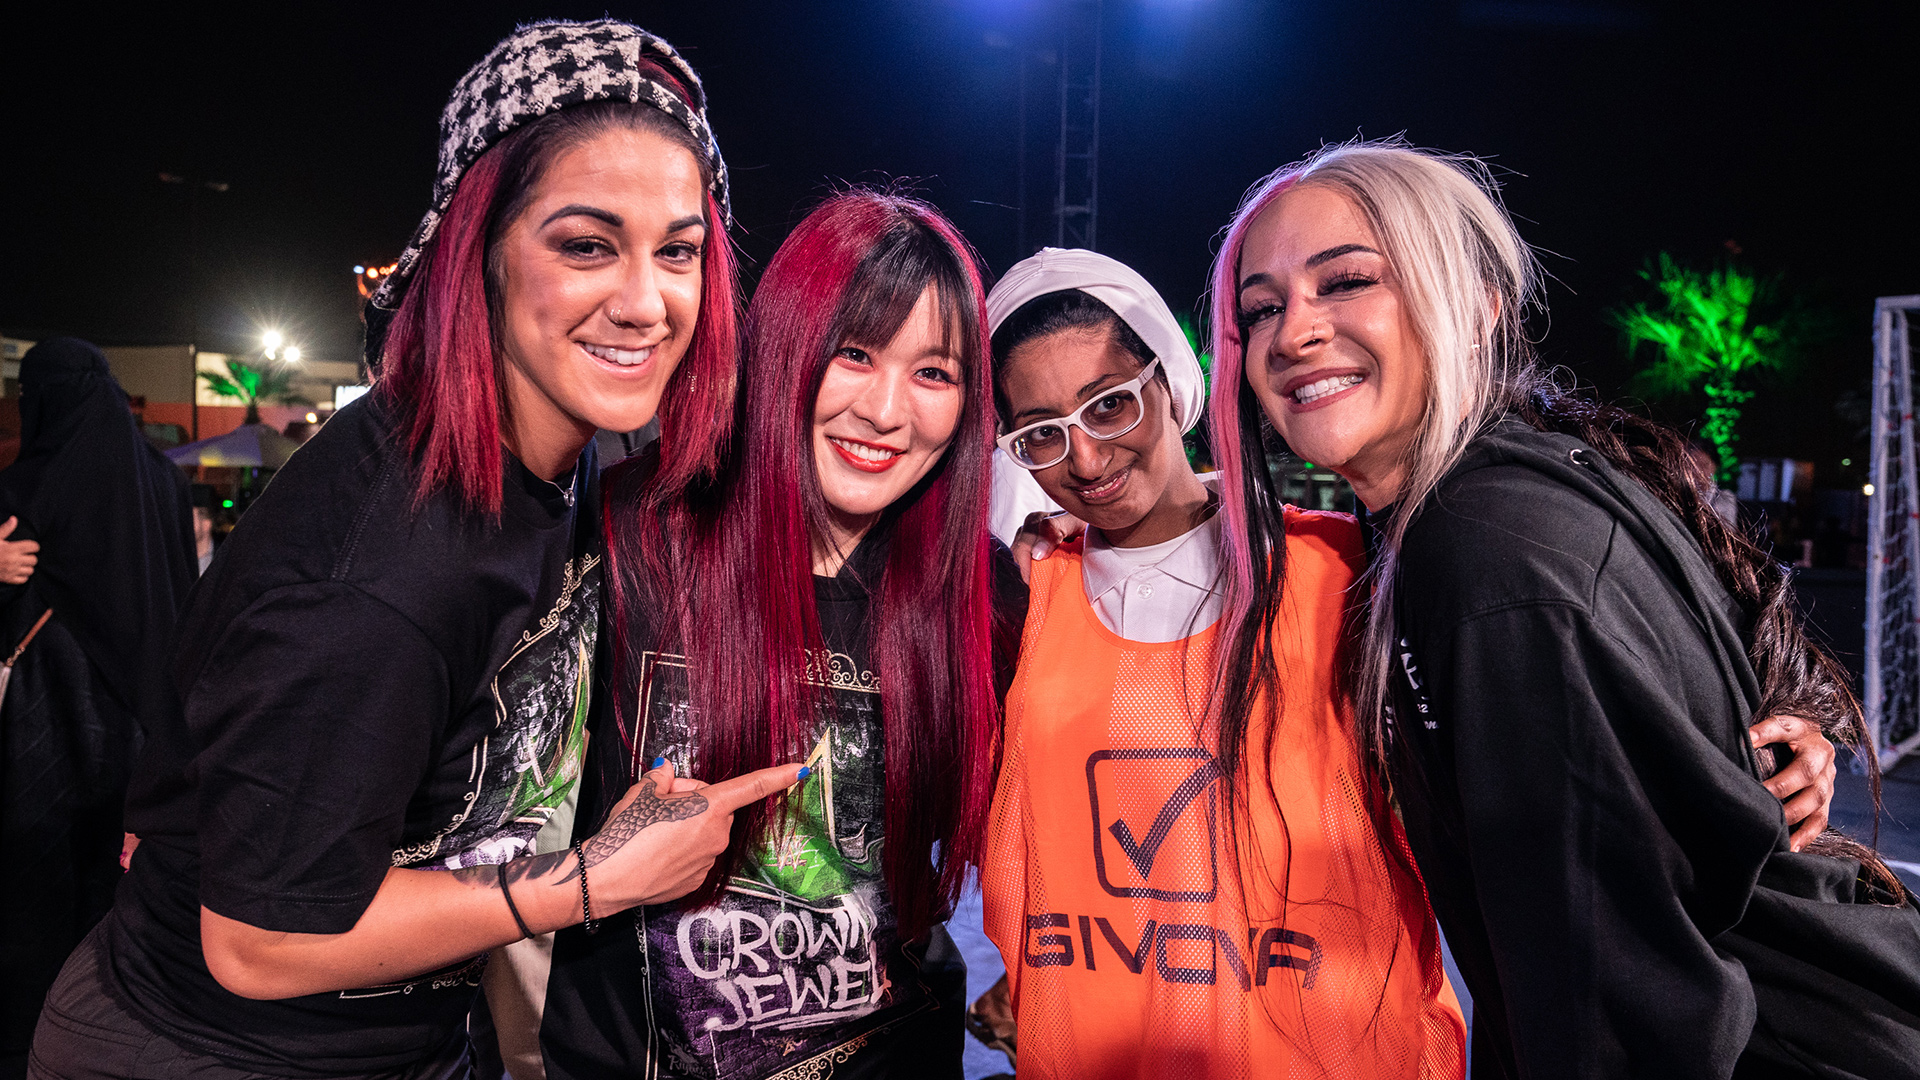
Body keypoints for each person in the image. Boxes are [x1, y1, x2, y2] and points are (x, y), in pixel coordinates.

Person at [28, 21, 801, 1080]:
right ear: (477, 252)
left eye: (678, 251)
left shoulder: (559, 455)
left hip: (408, 1040)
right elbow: (259, 944)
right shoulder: (383, 564)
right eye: (586, 245)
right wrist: (600, 878)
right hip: (214, 1051)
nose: (645, 303)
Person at [1210, 139, 1917, 1077]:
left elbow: (1613, 1000)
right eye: (1261, 308)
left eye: (1346, 282)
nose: (1293, 331)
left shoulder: (1486, 550)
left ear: (1476, 306)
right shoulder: (1490, 497)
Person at [543, 190, 1019, 1080]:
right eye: (854, 353)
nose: (886, 411)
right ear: (785, 349)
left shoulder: (983, 592)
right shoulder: (629, 532)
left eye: (933, 372)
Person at [979, 249, 1467, 1078]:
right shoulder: (1021, 606)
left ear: (1170, 385)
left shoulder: (1349, 571)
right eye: (1041, 435)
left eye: (1110, 405)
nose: (1086, 459)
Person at [0, 339, 196, 1079]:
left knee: (36, 880)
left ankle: (34, 1033)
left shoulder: (27, 486)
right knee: (126, 882)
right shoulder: (165, 484)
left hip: (45, 713)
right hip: (149, 719)